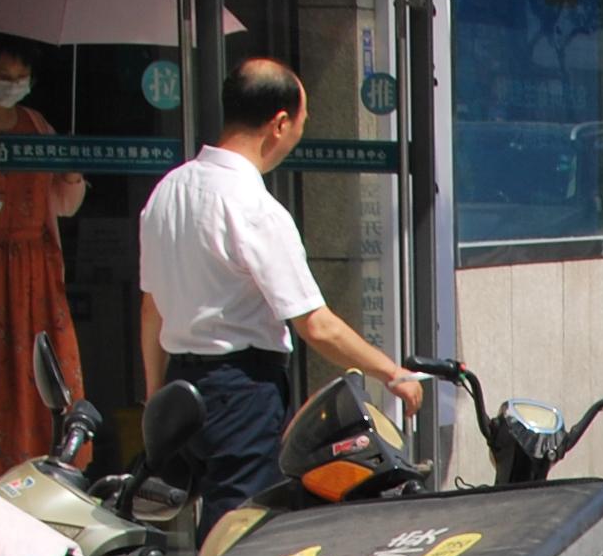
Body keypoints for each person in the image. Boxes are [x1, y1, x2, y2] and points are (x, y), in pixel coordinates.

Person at [138, 57, 423, 521]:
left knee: (213, 526)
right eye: (303, 121)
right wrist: (391, 371)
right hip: (240, 390)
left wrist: (157, 395)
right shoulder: (254, 208)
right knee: (238, 531)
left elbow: (151, 307)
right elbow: (316, 323)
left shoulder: (167, 191)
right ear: (280, 123)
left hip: (179, 386)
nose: (300, 133)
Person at [0, 46, 87, 477]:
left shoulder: (36, 125)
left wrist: (70, 169)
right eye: (1, 75)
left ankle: (48, 467)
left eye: (20, 77)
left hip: (35, 273)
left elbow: (65, 204)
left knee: (42, 376)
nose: (11, 86)